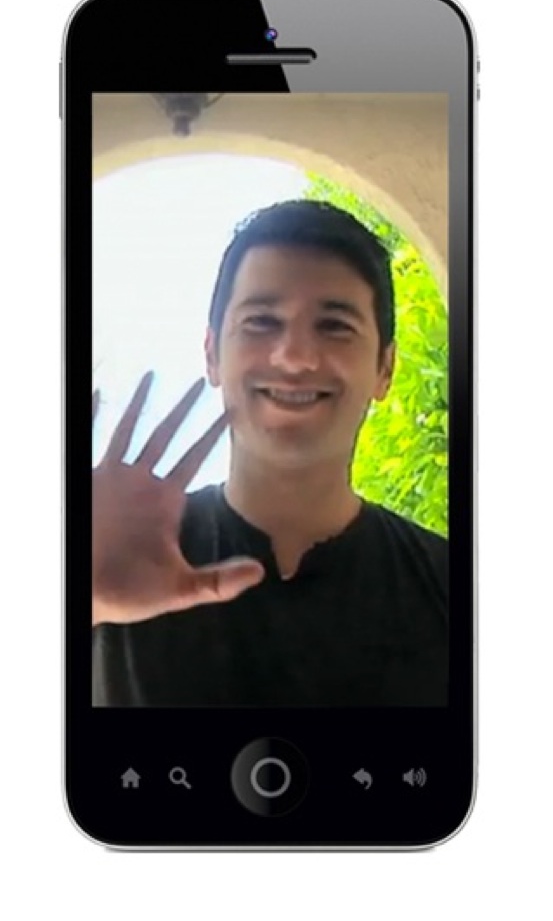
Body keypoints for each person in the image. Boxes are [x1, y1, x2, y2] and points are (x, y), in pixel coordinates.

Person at [92, 199, 448, 707]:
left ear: (385, 369)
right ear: (212, 354)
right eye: (261, 322)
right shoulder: (114, 550)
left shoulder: (453, 585)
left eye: (334, 326)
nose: (295, 358)